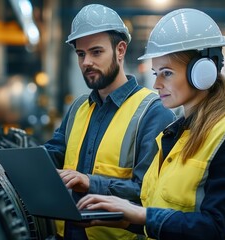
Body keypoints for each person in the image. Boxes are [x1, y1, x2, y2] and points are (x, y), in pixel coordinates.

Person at [77, 8, 225, 240]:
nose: (156, 84)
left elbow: (214, 227)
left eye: (166, 73)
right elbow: (162, 214)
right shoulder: (173, 137)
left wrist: (141, 215)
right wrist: (124, 217)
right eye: (156, 72)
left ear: (202, 72)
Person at [43, 4, 176, 240]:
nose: (86, 62)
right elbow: (54, 152)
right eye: (81, 54)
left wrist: (89, 183)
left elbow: (149, 192)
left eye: (96, 52)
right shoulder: (78, 108)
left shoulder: (153, 112)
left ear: (120, 50)